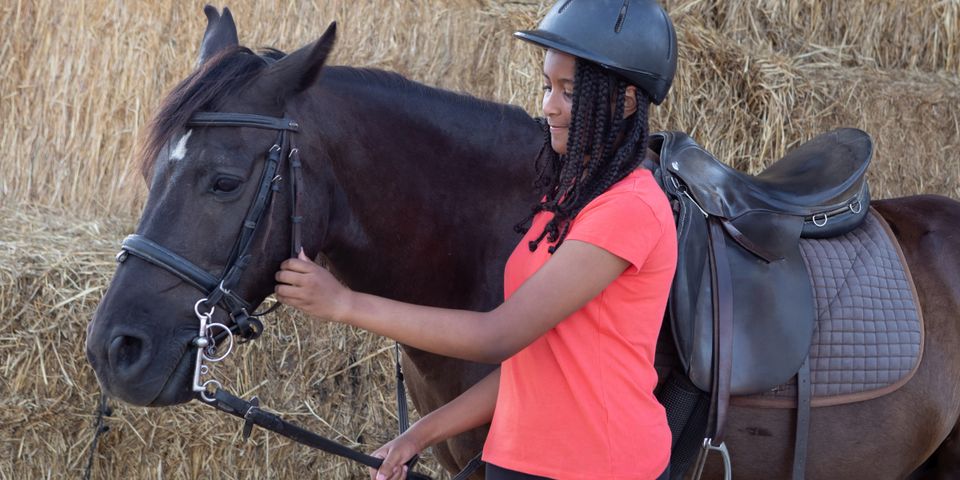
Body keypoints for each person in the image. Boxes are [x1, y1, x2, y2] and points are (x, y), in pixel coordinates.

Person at [274, 1, 678, 478]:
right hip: (516, 462)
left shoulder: (630, 208)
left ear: (626, 101)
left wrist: (344, 303)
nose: (549, 105)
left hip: (598, 467)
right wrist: (418, 434)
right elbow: (532, 365)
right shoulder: (565, 202)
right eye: (547, 86)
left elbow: (498, 336)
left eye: (569, 92)